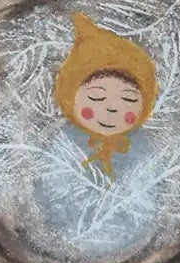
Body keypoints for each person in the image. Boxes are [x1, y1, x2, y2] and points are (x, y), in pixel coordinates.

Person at [53, 11, 158, 178]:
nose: (112, 108)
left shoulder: (141, 147)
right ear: (69, 100)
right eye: (96, 97)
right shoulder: (64, 143)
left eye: (128, 99)